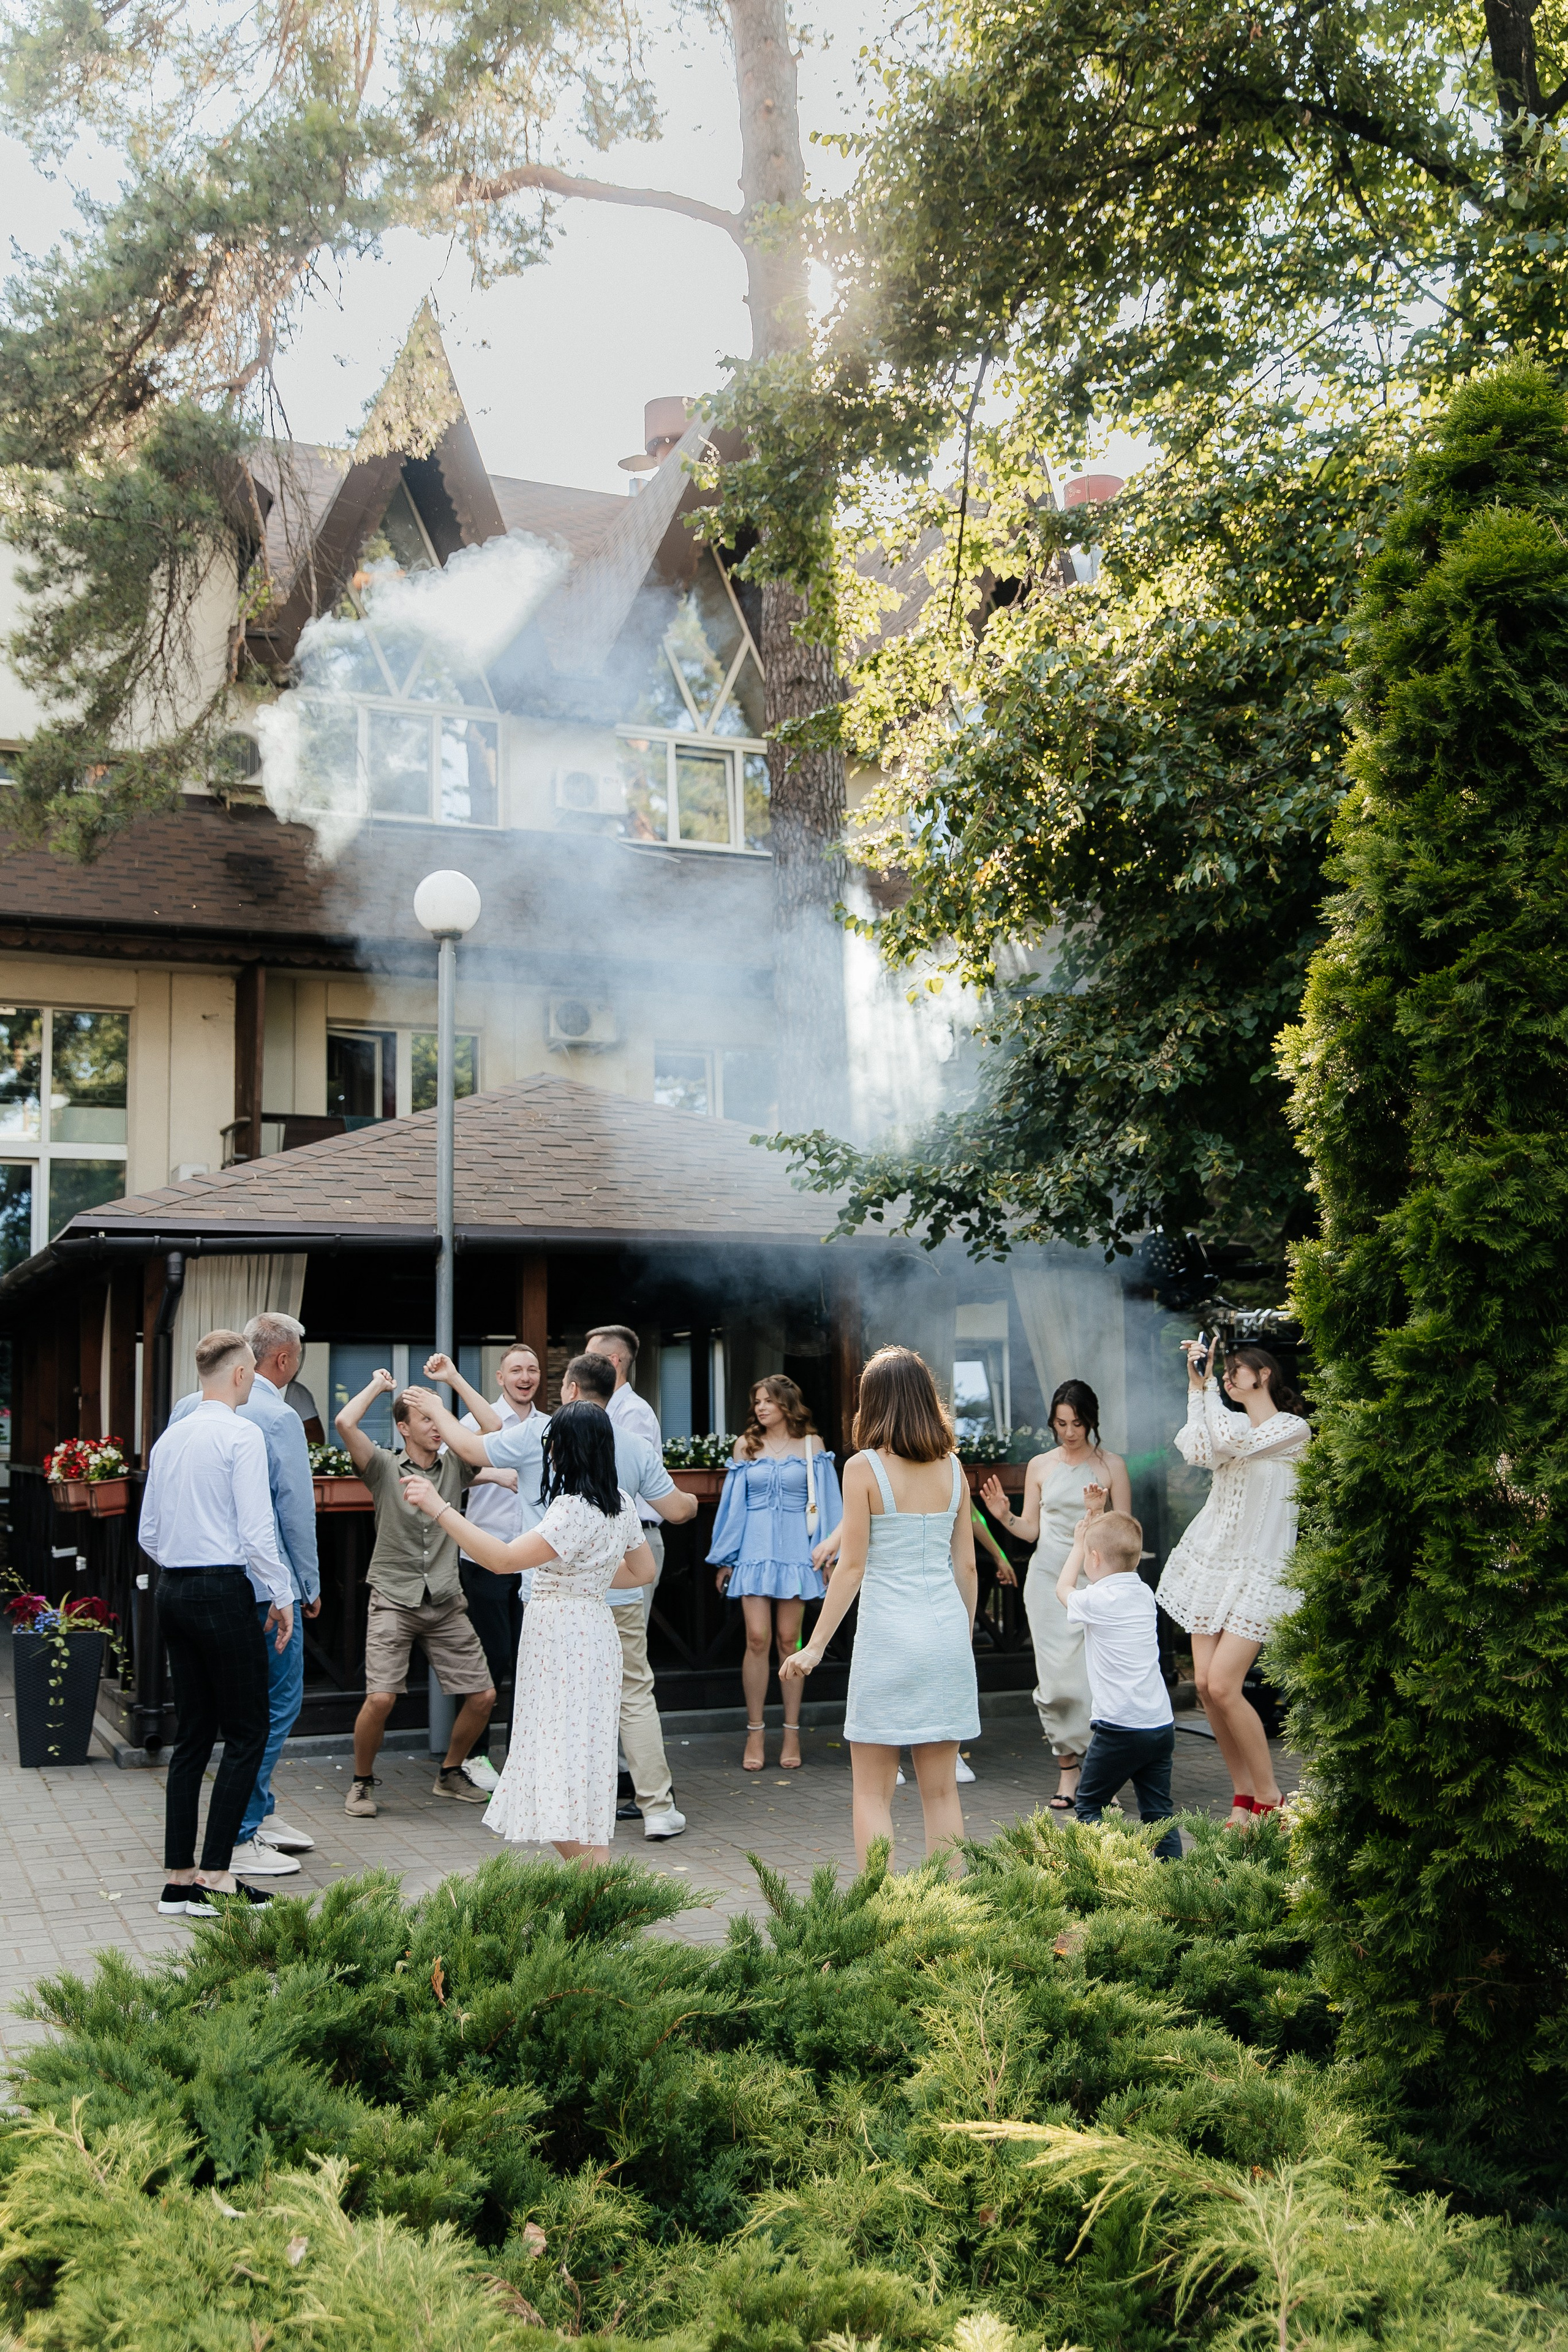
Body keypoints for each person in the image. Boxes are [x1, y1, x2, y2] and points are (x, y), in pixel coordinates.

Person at [407, 1353, 698, 1841]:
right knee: (593, 1739)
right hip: (598, 1626)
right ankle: (638, 1817)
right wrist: (587, 1579)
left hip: (561, 1635)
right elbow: (643, 1569)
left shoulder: (567, 1509)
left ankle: (580, 1855)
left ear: (562, 1448)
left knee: (555, 1748)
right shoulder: (622, 1504)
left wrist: (439, 1507)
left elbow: (500, 1559)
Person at [782, 1346, 978, 1870]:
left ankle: (882, 1912)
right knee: (942, 1794)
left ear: (873, 1403)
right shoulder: (954, 1468)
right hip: (945, 1637)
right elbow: (968, 1569)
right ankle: (955, 1914)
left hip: (889, 1641)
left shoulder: (863, 1467)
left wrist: (814, 1646)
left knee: (872, 1794)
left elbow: (851, 1568)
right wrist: (964, 1633)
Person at [138, 1329, 294, 1915]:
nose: (254, 1380)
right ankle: (215, 1880)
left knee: (194, 1736)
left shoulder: (170, 1439)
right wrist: (280, 1595)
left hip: (172, 1589)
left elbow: (148, 1533)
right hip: (223, 1589)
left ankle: (178, 1878)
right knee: (249, 1731)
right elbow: (257, 1533)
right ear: (238, 1374)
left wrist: (185, 1562)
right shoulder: (242, 1434)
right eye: (252, 1372)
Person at [168, 1310, 320, 1879]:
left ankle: (253, 1815)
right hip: (262, 1583)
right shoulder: (276, 1417)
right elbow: (290, 1513)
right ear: (282, 1359)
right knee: (274, 1706)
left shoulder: (189, 1408)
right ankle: (242, 1829)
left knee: (206, 1723)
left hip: (192, 1583)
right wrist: (307, 1583)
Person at [1156, 1340, 1311, 1826]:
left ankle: (1271, 1797)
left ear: (1263, 1375)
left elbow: (1229, 1441)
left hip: (1259, 1569)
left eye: (1233, 1370)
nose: (1225, 1377)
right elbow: (1200, 1447)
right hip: (1212, 1564)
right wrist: (1195, 1385)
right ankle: (1243, 1796)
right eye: (1221, 1372)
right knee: (1204, 1685)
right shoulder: (1233, 1423)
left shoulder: (1292, 1429)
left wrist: (1205, 1390)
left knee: (1225, 1685)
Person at [334, 1370, 498, 1816]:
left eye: (437, 1418)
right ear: (403, 1428)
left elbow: (494, 1427)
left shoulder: (457, 1466)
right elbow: (346, 1424)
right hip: (393, 1596)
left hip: (445, 1598)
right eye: (423, 1418)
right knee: (382, 1697)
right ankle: (362, 1783)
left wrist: (454, 1383)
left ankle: (450, 1772)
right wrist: (376, 1386)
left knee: (483, 1696)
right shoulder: (383, 1466)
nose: (434, 1425)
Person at [981, 1381, 1131, 1811]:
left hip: (1095, 1583)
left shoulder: (1112, 1466)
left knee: (1095, 1683)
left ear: (1091, 1422)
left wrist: (1098, 1513)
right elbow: (1031, 1529)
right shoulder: (1041, 1466)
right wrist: (1002, 1515)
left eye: (1078, 1423)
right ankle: (1068, 1772)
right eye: (1062, 1423)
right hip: (1047, 1582)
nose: (1069, 1432)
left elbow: (1125, 1536)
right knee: (1055, 1684)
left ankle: (1103, 1776)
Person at [710, 1374, 843, 1771]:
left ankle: (791, 1732)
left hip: (797, 1553)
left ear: (787, 1404)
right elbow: (733, 1508)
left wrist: (830, 1557)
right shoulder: (746, 1446)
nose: (760, 1408)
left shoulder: (812, 1446)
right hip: (753, 1551)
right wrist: (725, 1558)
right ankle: (755, 1731)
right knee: (756, 1638)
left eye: (768, 1401)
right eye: (757, 1402)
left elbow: (831, 1505)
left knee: (790, 1641)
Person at [1057, 1491, 1181, 1860]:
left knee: (1089, 1807)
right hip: (1159, 1725)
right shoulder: (1142, 1593)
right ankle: (1178, 1884)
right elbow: (1117, 1547)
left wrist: (1078, 1544)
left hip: (1119, 1728)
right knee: (1159, 1814)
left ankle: (1105, 1880)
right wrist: (1098, 1517)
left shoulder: (1098, 1600)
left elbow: (1063, 1589)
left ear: (1093, 1558)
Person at [453, 1343, 548, 1795]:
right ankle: (472, 1758)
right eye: (516, 1370)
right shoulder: (475, 1420)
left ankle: (521, 1759)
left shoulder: (549, 1427)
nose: (525, 1377)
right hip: (485, 1558)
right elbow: (450, 1470)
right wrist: (496, 1473)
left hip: (533, 1562)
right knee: (488, 1664)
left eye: (532, 1370)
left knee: (528, 1665)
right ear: (500, 1377)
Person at [586, 1326, 663, 1623]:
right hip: (607, 1538)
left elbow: (622, 1478)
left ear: (613, 1361)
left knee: (628, 1648)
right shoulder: (605, 1408)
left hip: (635, 1539)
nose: (583, 1364)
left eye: (589, 1358)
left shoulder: (633, 1412)